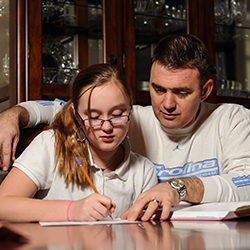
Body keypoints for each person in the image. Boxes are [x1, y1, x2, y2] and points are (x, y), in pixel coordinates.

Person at [1, 34, 250, 221]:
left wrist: (180, 187)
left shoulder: (231, 119)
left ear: (205, 90)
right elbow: (70, 108)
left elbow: (247, 184)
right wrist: (15, 115)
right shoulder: (131, 117)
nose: (167, 104)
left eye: (182, 92)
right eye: (158, 89)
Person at [0, 64, 158, 222]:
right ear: (77, 116)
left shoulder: (144, 171)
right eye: (94, 117)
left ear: (130, 108)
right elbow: (3, 205)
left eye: (117, 114)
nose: (107, 127)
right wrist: (71, 210)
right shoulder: (51, 145)